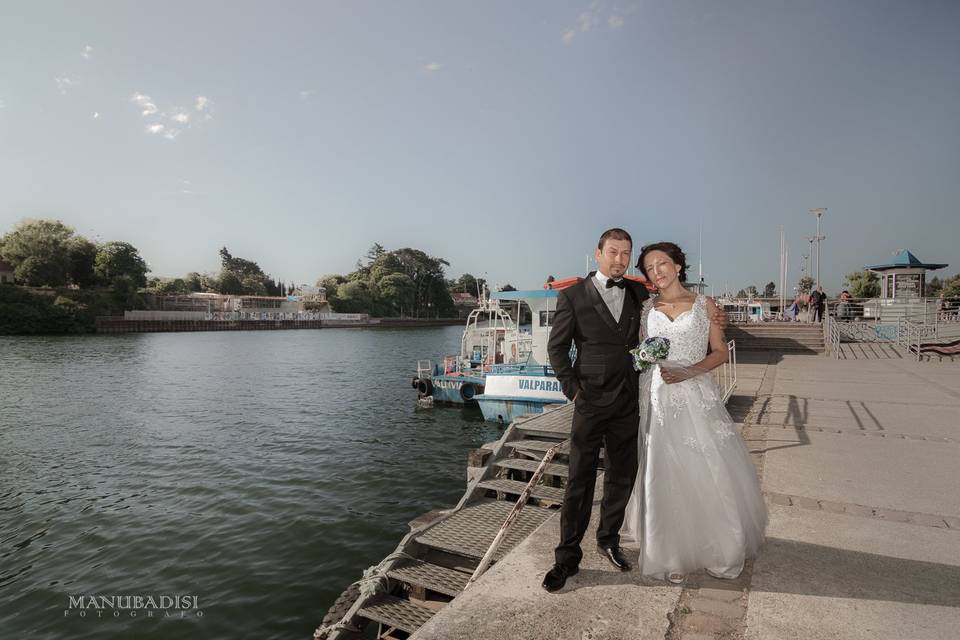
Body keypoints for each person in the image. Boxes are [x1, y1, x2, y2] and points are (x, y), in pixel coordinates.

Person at [541, 230, 724, 593]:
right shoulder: (573, 296)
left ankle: (608, 540)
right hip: (589, 403)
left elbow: (678, 303)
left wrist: (713, 309)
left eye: (626, 254)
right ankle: (566, 558)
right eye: (613, 252)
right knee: (579, 480)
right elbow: (557, 349)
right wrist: (573, 392)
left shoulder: (641, 294)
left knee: (621, 477)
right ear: (597, 253)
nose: (620, 260)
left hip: (629, 401)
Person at [621, 242, 767, 584]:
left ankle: (719, 546)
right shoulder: (646, 308)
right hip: (657, 396)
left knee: (705, 466)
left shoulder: (706, 306)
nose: (657, 271)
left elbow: (720, 353)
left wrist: (689, 371)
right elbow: (641, 351)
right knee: (663, 470)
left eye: (662, 264)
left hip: (694, 392)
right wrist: (641, 359)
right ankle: (668, 550)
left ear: (678, 266)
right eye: (650, 268)